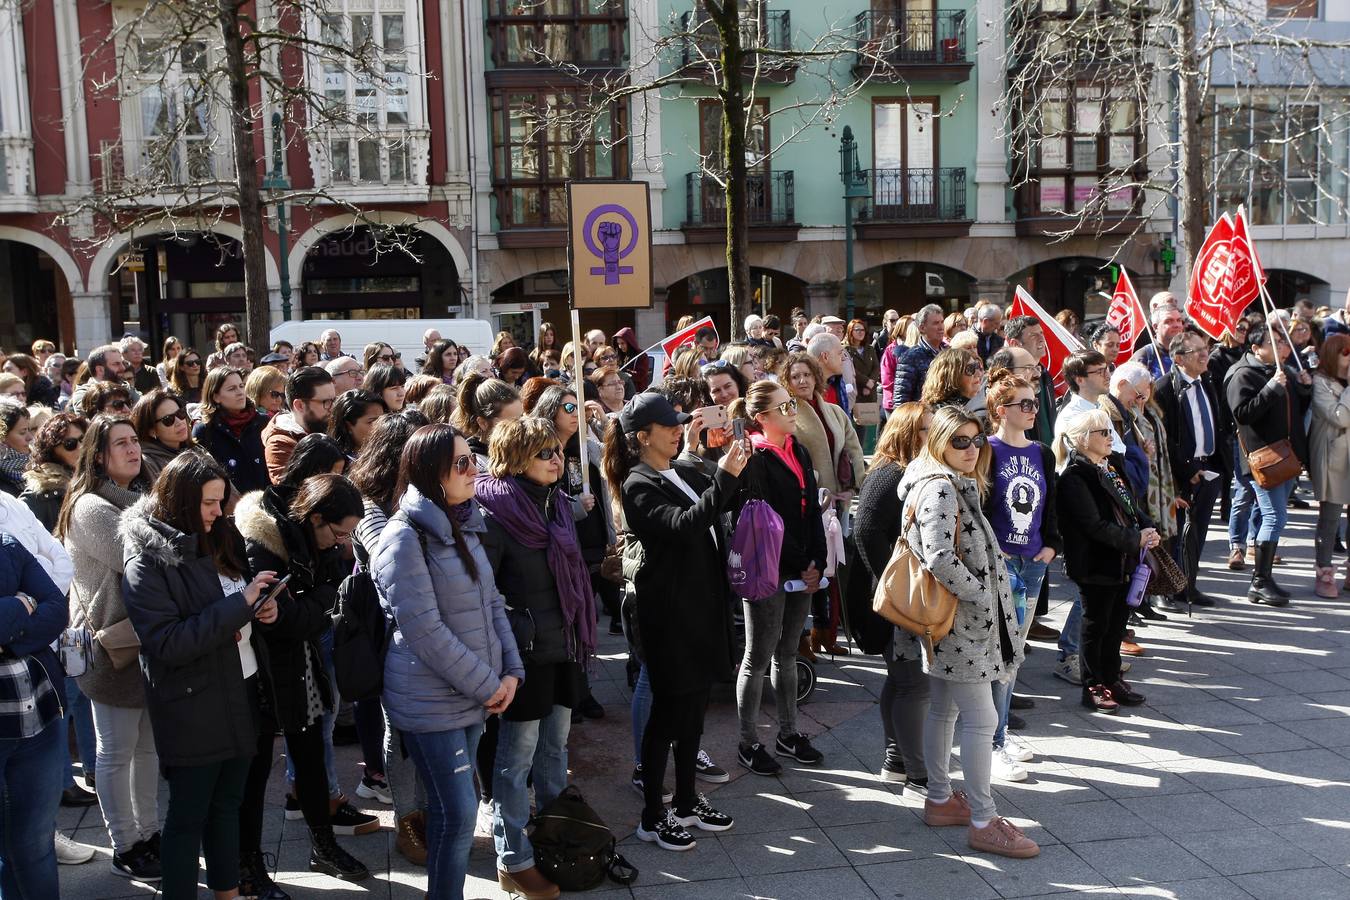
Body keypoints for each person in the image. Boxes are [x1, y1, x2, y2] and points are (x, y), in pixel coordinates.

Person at [120, 453, 281, 900]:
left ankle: (227, 893)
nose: (218, 512)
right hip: (193, 704)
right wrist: (238, 607)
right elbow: (167, 643)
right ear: (182, 501)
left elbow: (236, 599)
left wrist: (262, 607)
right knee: (189, 816)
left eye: (220, 502)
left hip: (240, 690)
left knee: (227, 805)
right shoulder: (146, 564)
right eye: (209, 503)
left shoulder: (217, 535)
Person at [374, 424, 524, 899]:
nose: (472, 469)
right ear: (430, 473)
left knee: (449, 815)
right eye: (460, 463)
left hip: (472, 695)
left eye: (471, 459)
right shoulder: (404, 538)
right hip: (429, 702)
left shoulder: (465, 522)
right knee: (459, 813)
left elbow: (492, 603)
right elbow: (425, 632)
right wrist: (489, 684)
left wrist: (512, 671)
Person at [603, 394, 741, 852]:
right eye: (669, 425)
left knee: (693, 713)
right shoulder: (637, 483)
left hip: (700, 608)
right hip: (669, 616)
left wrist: (729, 464)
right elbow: (683, 526)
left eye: (679, 422)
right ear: (643, 437)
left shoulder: (678, 470)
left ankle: (685, 800)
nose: (678, 428)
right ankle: (651, 816)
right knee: (666, 717)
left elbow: (713, 508)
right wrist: (724, 478)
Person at [897, 406, 1037, 859]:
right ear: (937, 441)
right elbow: (938, 556)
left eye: (976, 440)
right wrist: (980, 593)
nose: (971, 448)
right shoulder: (940, 488)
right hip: (961, 623)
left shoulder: (944, 481)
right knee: (983, 720)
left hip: (951, 622)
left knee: (944, 709)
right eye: (959, 440)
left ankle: (939, 798)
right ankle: (983, 819)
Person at [235, 473, 373, 882]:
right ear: (314, 518)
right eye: (339, 531)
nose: (343, 542)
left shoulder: (323, 545)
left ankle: (324, 845)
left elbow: (326, 597)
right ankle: (249, 862)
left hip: (302, 663)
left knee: (311, 755)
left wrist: (297, 613)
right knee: (256, 769)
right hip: (259, 670)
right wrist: (297, 615)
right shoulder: (264, 537)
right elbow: (272, 617)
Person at [477, 416, 592, 900]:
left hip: (563, 645)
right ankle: (513, 858)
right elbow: (484, 594)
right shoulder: (493, 512)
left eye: (556, 450)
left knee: (555, 749)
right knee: (515, 758)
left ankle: (554, 839)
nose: (555, 458)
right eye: (543, 451)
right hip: (524, 654)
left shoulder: (559, 503)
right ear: (514, 455)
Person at [57, 414, 163, 881]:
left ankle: (150, 831)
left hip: (150, 640)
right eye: (119, 443)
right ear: (99, 455)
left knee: (149, 749)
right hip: (111, 645)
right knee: (115, 750)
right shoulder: (89, 506)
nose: (131, 449)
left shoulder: (147, 495)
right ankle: (125, 843)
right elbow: (141, 558)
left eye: (134, 440)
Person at [729, 381, 827, 775]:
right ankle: (747, 742)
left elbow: (811, 511)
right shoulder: (753, 456)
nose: (792, 410)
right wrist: (803, 560)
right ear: (761, 417)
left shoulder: (797, 449)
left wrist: (816, 561)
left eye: (791, 404)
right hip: (768, 569)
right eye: (783, 406)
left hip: (801, 568)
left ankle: (788, 733)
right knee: (757, 656)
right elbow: (760, 521)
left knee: (789, 654)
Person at [348, 410, 431, 865]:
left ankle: (427, 811)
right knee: (398, 730)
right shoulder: (369, 504)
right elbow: (388, 556)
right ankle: (406, 820)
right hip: (385, 633)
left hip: (424, 628)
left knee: (427, 728)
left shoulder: (418, 499)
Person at [983, 371, 1060, 783]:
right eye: (1024, 404)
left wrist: (1051, 547)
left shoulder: (1042, 453)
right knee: (999, 655)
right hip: (999, 566)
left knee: (1014, 657)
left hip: (1032, 564)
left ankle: (1002, 733)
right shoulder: (987, 450)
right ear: (1001, 411)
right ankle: (992, 744)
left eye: (1034, 403)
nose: (1033, 410)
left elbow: (1052, 504)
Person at [1056, 409, 1159, 713]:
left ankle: (1111, 678)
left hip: (1122, 560)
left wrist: (1147, 527)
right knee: (1096, 625)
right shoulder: (1075, 476)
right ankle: (1093, 685)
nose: (1110, 437)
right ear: (1083, 440)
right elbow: (1093, 526)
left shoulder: (1111, 465)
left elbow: (1130, 506)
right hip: (1095, 563)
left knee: (1116, 625)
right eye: (1103, 432)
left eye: (1109, 431)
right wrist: (1135, 539)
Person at [853, 402, 931, 789]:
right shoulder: (890, 474)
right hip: (898, 599)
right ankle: (917, 774)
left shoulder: (906, 471)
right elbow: (865, 530)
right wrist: (894, 581)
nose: (933, 437)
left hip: (901, 595)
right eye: (926, 430)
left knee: (901, 681)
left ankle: (897, 760)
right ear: (907, 434)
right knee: (913, 684)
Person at [0, 530, 72, 898]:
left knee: (34, 845)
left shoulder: (6, 543)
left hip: (38, 719)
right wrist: (20, 605)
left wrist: (6, 639)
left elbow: (57, 609)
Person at [780, 351, 865, 656]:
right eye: (795, 376)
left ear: (816, 376)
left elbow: (854, 447)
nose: (802, 380)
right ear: (787, 382)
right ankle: (801, 639)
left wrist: (852, 485)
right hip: (806, 503)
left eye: (806, 374)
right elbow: (788, 454)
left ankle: (827, 632)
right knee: (809, 569)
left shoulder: (834, 411)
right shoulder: (787, 412)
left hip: (837, 503)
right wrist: (814, 487)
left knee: (834, 567)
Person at [1227, 323, 1311, 605]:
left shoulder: (1278, 371)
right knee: (1275, 518)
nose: (1282, 346)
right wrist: (1273, 388)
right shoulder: (1243, 374)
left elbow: (1293, 411)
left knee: (1274, 518)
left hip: (1285, 457)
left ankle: (1265, 577)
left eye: (1282, 341)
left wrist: (1303, 388)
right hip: (1264, 459)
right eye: (1273, 342)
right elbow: (1243, 413)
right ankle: (1259, 581)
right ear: (1255, 348)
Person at [1152, 331, 1226, 608]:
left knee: (1198, 532)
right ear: (1180, 358)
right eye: (1197, 351)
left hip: (1209, 470)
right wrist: (1187, 467)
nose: (1205, 354)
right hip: (1179, 473)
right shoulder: (1164, 388)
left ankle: (1188, 585)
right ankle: (1165, 588)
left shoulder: (1207, 382)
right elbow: (1165, 438)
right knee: (1172, 533)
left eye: (1205, 348)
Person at [1309, 333, 1350, 597]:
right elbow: (1339, 417)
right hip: (1333, 458)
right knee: (1330, 518)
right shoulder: (1320, 382)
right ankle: (1324, 571)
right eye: (1346, 353)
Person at [193, 367, 271, 496]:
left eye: (241, 386)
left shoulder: (262, 422)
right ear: (216, 396)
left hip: (265, 504)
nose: (240, 392)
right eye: (232, 389)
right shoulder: (204, 431)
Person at [262, 366, 336, 482]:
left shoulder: (330, 426)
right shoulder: (279, 444)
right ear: (300, 405)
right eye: (326, 402)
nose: (332, 408)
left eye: (334, 400)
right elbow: (291, 493)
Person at [20, 411, 87, 532]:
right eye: (70, 444)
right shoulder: (39, 495)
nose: (81, 447)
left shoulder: (101, 476)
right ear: (52, 452)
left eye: (83, 439)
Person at [452, 374, 523, 470]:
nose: (520, 428)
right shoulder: (475, 463)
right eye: (509, 423)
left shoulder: (522, 452)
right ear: (483, 423)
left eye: (521, 419)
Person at [131, 390, 196, 486]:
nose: (179, 422)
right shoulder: (148, 463)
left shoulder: (196, 449)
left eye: (180, 413)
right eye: (168, 419)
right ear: (151, 430)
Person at [894, 303, 946, 405]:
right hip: (923, 416)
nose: (941, 327)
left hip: (946, 417)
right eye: (935, 323)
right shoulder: (910, 357)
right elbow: (901, 400)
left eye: (942, 322)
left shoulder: (949, 353)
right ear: (922, 328)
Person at [920, 348, 985, 419]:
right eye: (970, 369)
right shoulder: (938, 415)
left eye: (977, 366)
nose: (978, 373)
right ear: (952, 376)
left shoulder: (981, 404)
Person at [329, 389, 385, 459]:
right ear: (348, 426)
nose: (381, 425)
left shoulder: (389, 455)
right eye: (372, 422)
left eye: (383, 419)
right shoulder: (338, 463)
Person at [1132, 307, 1186, 378]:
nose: (1176, 325)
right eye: (1169, 321)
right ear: (1155, 327)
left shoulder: (1191, 352)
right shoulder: (1145, 355)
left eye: (1179, 320)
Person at [613, 327, 651, 392]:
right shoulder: (619, 355)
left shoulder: (641, 355)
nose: (620, 346)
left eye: (622, 343)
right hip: (621, 391)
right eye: (618, 344)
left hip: (637, 392)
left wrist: (626, 371)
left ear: (629, 342)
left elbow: (640, 375)